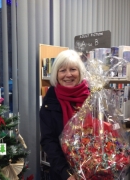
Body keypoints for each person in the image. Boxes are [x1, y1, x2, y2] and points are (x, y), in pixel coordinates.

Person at [40, 49, 90, 180]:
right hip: (63, 174)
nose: (68, 75)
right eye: (62, 70)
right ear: (56, 75)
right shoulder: (49, 103)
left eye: (73, 69)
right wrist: (66, 173)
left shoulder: (93, 98)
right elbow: (48, 141)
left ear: (79, 72)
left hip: (93, 170)